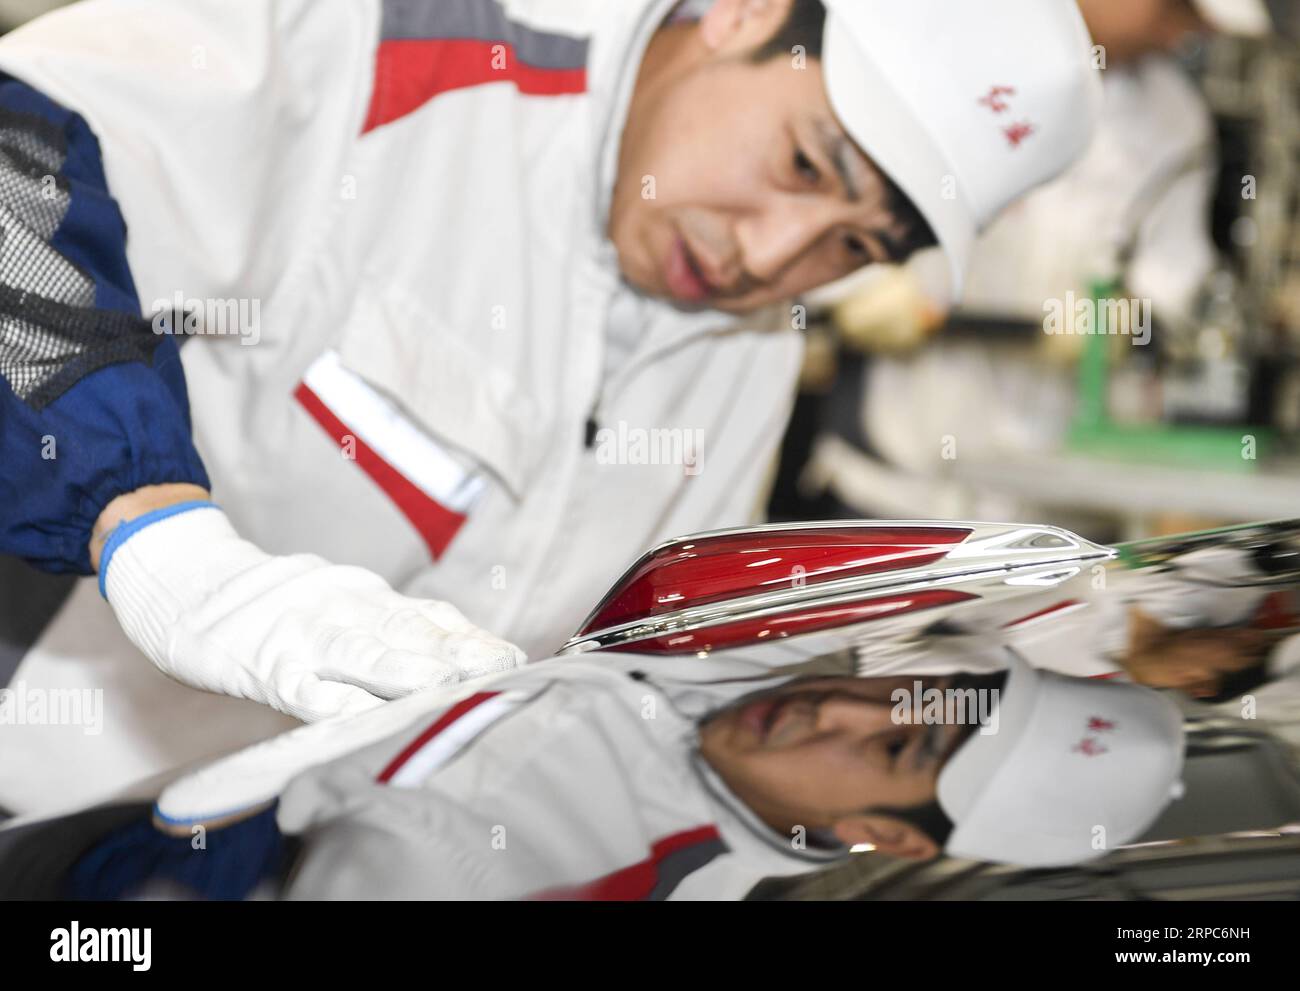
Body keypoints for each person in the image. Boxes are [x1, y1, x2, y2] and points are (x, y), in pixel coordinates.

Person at [0, 0, 1100, 814]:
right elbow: (16, 175)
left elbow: (646, 671)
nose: (771, 253)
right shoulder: (388, 53)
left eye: (851, 248)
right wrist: (158, 540)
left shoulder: (747, 341)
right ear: (744, 15)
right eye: (807, 163)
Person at [30, 651, 1182, 900]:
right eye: (914, 685)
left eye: (896, 744)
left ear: (900, 839)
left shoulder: (636, 875)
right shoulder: (751, 628)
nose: (833, 703)